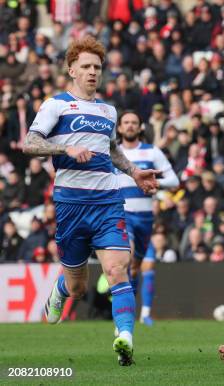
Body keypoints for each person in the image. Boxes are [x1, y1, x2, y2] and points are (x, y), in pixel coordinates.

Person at [22, 36, 159, 366]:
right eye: (85, 66)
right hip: (70, 205)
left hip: (108, 203)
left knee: (116, 270)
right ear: (71, 70)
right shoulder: (56, 105)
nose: (93, 72)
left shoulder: (108, 110)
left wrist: (134, 172)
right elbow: (29, 142)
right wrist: (63, 148)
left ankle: (124, 337)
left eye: (97, 67)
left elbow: (111, 150)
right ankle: (61, 289)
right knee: (79, 286)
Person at [116, 111, 179, 325]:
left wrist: (156, 183)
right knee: (128, 258)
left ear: (141, 127)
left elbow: (174, 180)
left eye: (134, 122)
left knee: (139, 267)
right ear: (119, 128)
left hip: (145, 218)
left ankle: (140, 313)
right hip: (122, 215)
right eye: (126, 123)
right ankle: (128, 318)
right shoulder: (113, 154)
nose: (130, 126)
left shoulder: (152, 152)